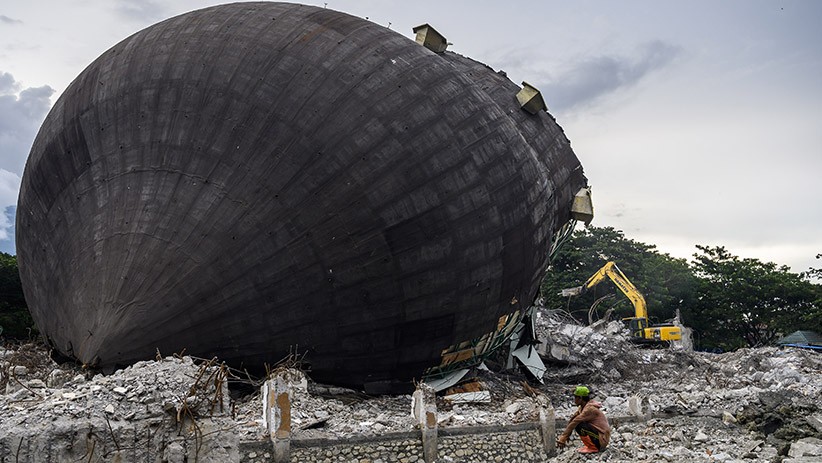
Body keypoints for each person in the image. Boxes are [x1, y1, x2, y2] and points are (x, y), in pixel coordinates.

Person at [556, 386, 611, 454]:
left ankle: (593, 447)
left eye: (575, 397)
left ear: (580, 398)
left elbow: (575, 421)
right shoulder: (583, 407)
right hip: (599, 437)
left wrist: (564, 437)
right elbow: (573, 419)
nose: (574, 400)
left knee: (580, 425)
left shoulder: (590, 409)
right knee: (578, 424)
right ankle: (590, 446)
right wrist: (566, 435)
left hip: (602, 439)